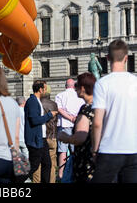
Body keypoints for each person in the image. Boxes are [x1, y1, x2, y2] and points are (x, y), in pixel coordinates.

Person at [91, 39, 137, 183]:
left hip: (109, 149)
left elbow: (97, 122)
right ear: (126, 58)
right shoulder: (135, 82)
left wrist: (94, 149)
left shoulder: (102, 84)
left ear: (108, 58)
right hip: (133, 149)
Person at [58, 72, 96, 182]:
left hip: (85, 161)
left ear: (83, 88)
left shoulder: (86, 109)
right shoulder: (100, 107)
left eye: (77, 86)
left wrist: (66, 138)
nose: (75, 89)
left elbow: (81, 136)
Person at [24, 80, 58, 183]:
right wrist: (49, 115)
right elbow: (34, 120)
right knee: (34, 166)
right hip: (35, 139)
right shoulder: (32, 101)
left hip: (42, 138)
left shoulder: (36, 100)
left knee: (47, 164)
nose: (46, 91)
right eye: (45, 88)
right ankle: (18, 179)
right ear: (40, 89)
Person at [55, 78, 85, 180]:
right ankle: (74, 171)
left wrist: (69, 118)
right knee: (74, 151)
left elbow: (59, 109)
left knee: (62, 150)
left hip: (64, 125)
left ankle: (61, 174)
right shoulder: (79, 96)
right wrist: (74, 118)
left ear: (65, 86)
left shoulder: (60, 95)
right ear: (74, 86)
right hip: (77, 125)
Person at [35, 89, 58, 184]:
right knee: (51, 163)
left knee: (37, 163)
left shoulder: (36, 104)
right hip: (51, 136)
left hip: (40, 137)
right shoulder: (54, 104)